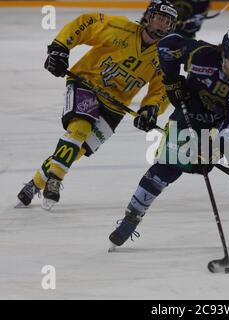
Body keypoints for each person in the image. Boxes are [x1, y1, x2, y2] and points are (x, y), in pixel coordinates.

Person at [108, 26, 229, 249]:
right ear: (223, 53)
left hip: (223, 123)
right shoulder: (201, 55)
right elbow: (168, 43)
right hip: (190, 112)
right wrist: (172, 79)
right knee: (167, 166)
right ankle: (131, 217)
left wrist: (213, 151)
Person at [16, 0, 178, 210]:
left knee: (78, 150)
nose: (161, 25)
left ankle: (35, 183)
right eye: (158, 18)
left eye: (167, 22)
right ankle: (55, 179)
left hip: (116, 106)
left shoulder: (164, 55)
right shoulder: (120, 28)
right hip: (86, 83)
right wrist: (60, 47)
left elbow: (161, 89)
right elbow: (85, 22)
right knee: (80, 128)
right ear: (148, 16)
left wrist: (151, 108)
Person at [143, 0, 210, 38]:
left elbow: (194, 26)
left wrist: (183, 25)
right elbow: (148, 16)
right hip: (159, 32)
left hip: (184, 36)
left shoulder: (201, 2)